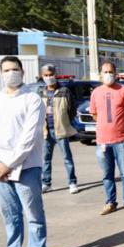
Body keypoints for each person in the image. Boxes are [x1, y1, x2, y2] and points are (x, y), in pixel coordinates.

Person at [0, 56, 49, 247]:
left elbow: (28, 138)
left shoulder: (32, 100)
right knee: (10, 215)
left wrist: (9, 164)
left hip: (26, 167)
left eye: (15, 69)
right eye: (7, 70)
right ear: (1, 74)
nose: (11, 73)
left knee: (33, 214)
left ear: (22, 72)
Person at [89, 61, 124, 215]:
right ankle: (111, 202)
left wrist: (123, 124)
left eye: (111, 72)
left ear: (116, 74)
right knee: (107, 174)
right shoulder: (96, 92)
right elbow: (94, 113)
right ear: (100, 75)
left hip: (121, 140)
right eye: (105, 72)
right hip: (103, 141)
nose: (108, 75)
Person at [38, 64, 78, 194]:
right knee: (46, 159)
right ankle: (46, 183)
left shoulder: (64, 91)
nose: (49, 77)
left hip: (60, 130)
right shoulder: (41, 92)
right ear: (42, 76)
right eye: (46, 75)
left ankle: (72, 182)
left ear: (55, 75)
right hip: (46, 131)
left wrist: (66, 122)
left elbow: (72, 109)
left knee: (67, 158)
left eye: (51, 75)